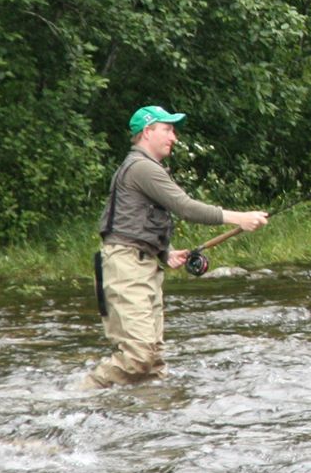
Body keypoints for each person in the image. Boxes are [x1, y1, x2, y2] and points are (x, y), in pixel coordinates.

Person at [80, 105, 269, 389]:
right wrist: (238, 218)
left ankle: (151, 420)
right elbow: (185, 207)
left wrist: (165, 253)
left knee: (153, 363)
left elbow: (127, 221)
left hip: (140, 265)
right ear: (147, 132)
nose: (174, 137)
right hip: (125, 267)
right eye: (167, 129)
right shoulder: (141, 167)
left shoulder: (144, 168)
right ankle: (78, 395)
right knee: (138, 357)